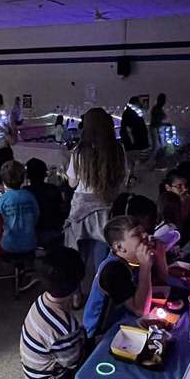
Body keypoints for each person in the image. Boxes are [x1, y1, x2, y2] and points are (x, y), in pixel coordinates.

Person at [64, 107, 127, 291]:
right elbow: (121, 180)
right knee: (102, 257)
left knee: (77, 256)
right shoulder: (117, 150)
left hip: (80, 211)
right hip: (106, 209)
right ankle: (99, 295)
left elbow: (72, 183)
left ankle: (75, 295)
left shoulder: (79, 152)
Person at [20, 247, 87, 379]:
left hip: (34, 378)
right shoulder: (65, 326)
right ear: (77, 284)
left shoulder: (41, 300)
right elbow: (71, 362)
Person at [81, 216, 155, 339]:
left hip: (120, 320)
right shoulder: (113, 270)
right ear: (119, 247)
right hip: (99, 335)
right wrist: (145, 267)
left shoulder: (129, 260)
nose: (145, 235)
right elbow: (141, 310)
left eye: (143, 231)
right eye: (137, 233)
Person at [110, 193, 170, 281]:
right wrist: (145, 266)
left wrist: (160, 256)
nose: (156, 223)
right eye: (137, 232)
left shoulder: (147, 244)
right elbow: (141, 294)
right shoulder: (115, 267)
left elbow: (162, 279)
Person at [0, 160, 39, 255]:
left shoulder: (0, 200)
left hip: (8, 245)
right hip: (30, 243)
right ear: (23, 179)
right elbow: (36, 216)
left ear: (3, 181)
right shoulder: (30, 196)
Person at [24, 157, 67, 247]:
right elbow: (61, 211)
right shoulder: (53, 189)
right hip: (52, 232)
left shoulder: (24, 192)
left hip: (31, 233)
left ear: (27, 175)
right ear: (45, 174)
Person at [160, 170, 190, 243]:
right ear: (168, 187)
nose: (185, 189)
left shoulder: (188, 199)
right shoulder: (164, 204)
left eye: (186, 185)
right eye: (179, 186)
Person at [149, 92, 169, 169]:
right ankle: (151, 163)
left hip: (157, 129)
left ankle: (156, 163)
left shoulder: (157, 109)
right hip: (155, 129)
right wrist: (165, 124)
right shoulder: (157, 109)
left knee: (158, 146)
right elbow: (156, 121)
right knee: (156, 147)